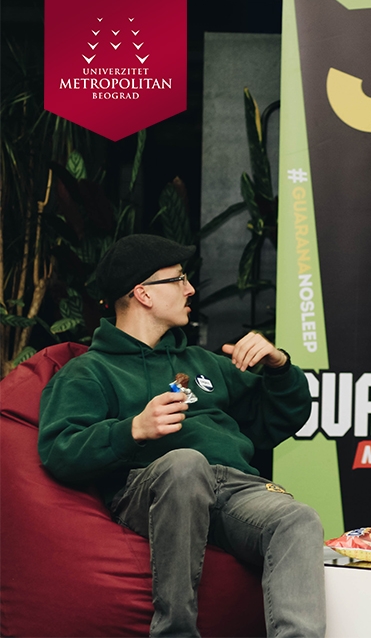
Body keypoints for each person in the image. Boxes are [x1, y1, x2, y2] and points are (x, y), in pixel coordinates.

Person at [38, 234, 325, 637]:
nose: (190, 289)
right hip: (152, 487)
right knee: (186, 464)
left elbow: (278, 419)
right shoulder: (90, 371)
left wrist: (279, 367)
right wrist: (133, 429)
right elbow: (60, 450)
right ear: (143, 294)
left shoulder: (204, 363)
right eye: (179, 279)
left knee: (298, 518)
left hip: (233, 491)